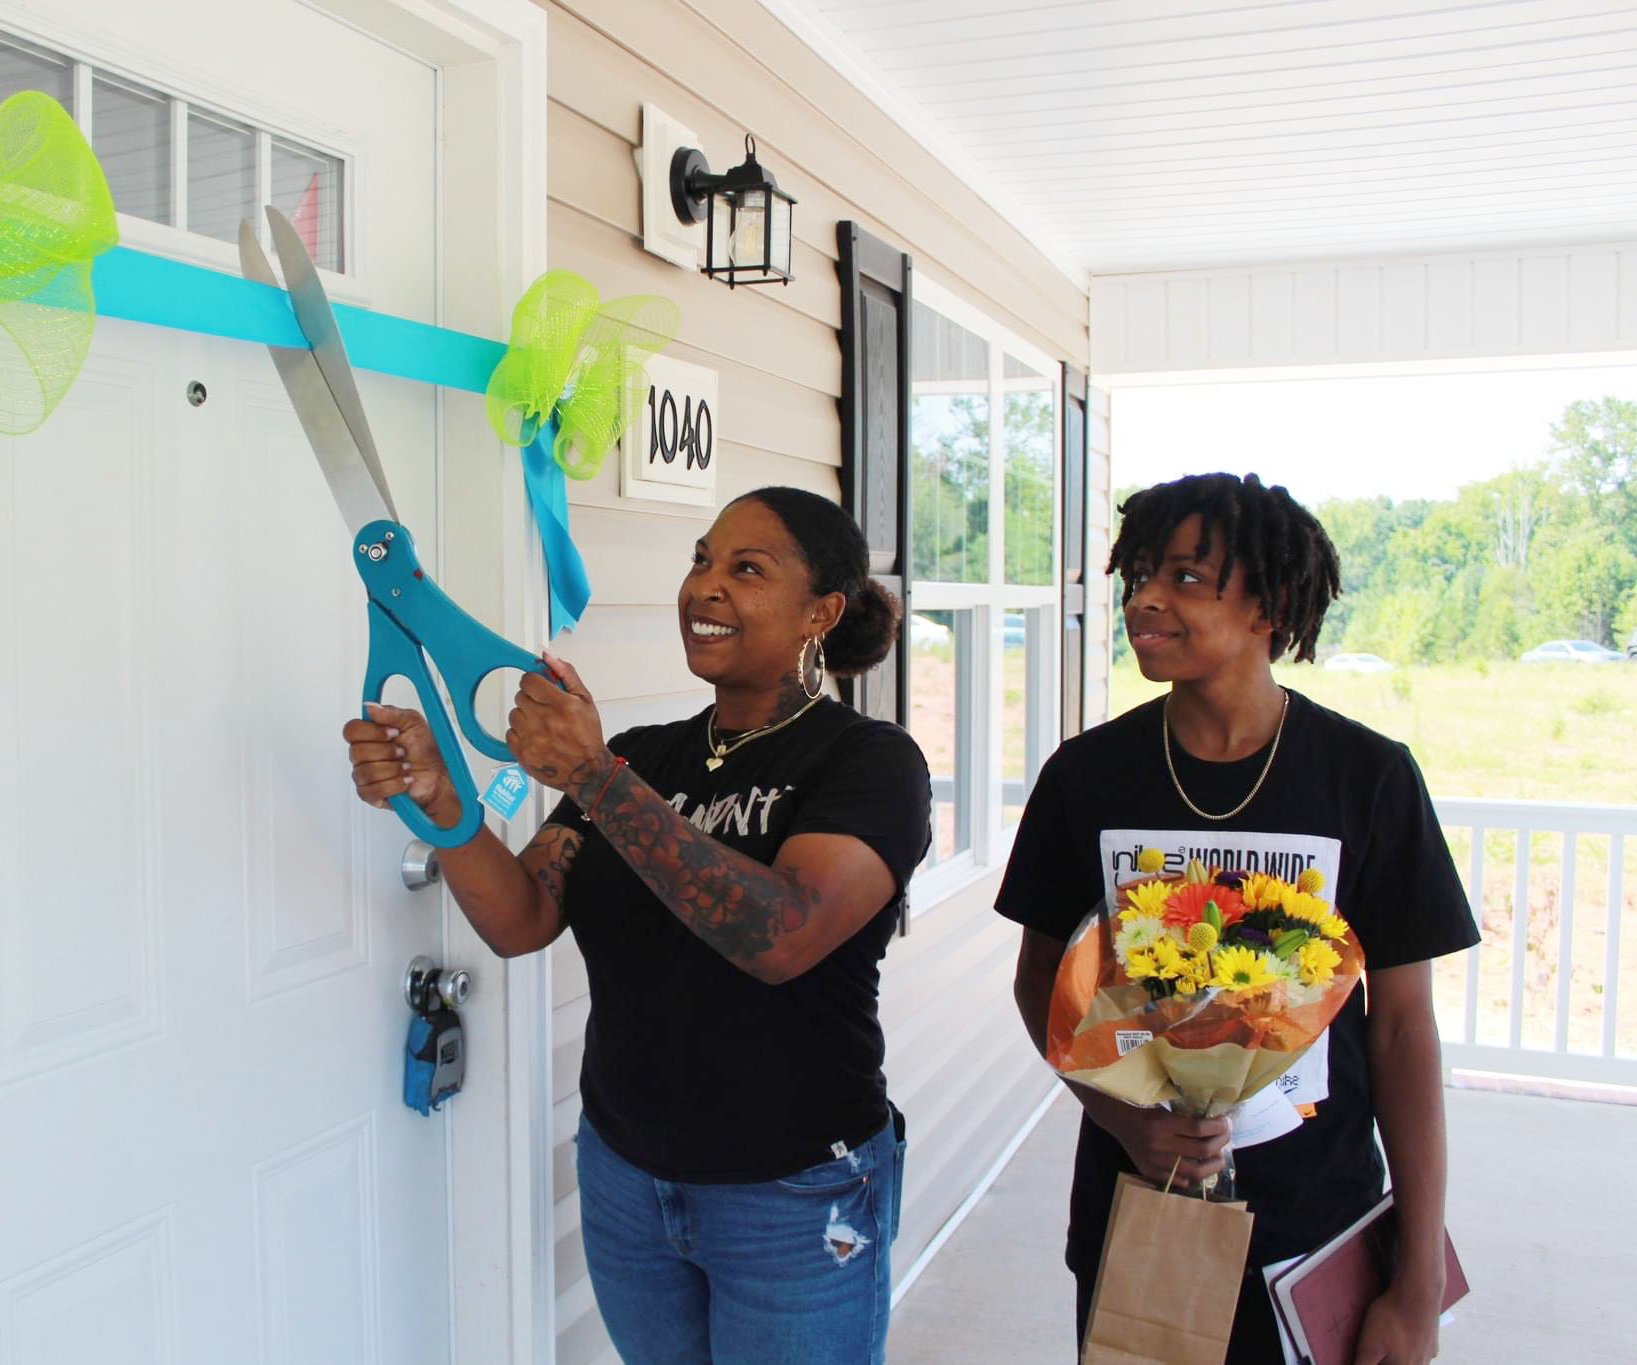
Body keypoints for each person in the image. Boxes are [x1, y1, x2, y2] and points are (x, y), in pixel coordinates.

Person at [344, 486, 931, 1362]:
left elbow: (780, 935)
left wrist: (594, 776)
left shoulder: (869, 761)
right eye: (701, 559)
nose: (705, 586)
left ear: (822, 611)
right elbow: (522, 916)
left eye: (747, 568)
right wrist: (442, 798)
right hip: (627, 1178)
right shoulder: (644, 754)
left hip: (795, 1190)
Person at [997, 472, 1478, 1364]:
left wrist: (1416, 1279)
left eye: (1185, 577)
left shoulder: (1368, 777)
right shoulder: (1086, 776)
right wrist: (1124, 1121)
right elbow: (1040, 984)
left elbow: (1404, 1029)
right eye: (1140, 574)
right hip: (1138, 1218)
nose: (1145, 599)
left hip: (1319, 1231)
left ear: (1270, 605)